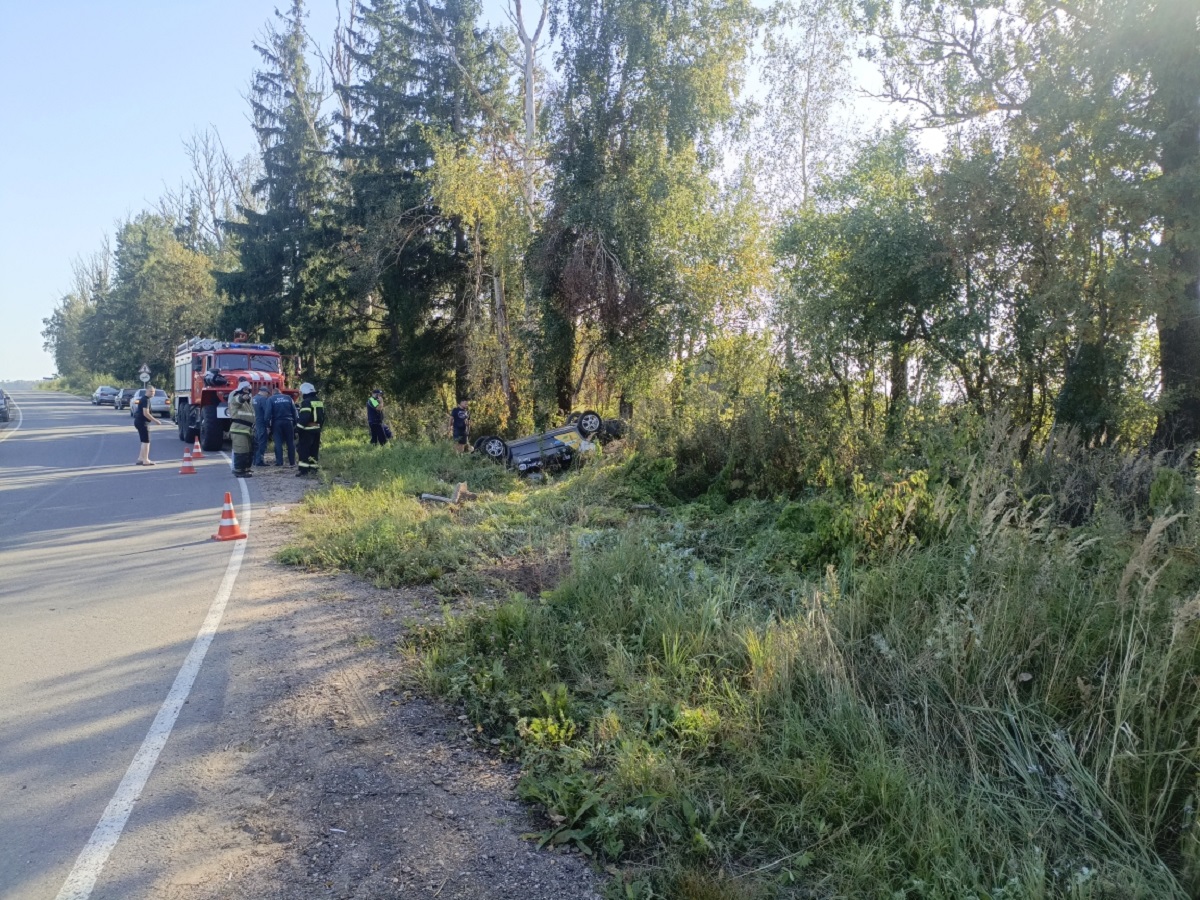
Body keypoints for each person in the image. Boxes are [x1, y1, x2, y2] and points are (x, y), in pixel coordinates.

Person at [228, 380, 257, 478]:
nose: (247, 392)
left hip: (247, 430)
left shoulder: (248, 402)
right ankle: (238, 471)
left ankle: (245, 469)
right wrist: (242, 397)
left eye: (248, 390)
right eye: (245, 390)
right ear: (240, 390)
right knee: (241, 450)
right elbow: (238, 401)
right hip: (239, 430)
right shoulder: (236, 398)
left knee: (247, 451)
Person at [295, 382, 325, 477]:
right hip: (316, 429)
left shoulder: (306, 402)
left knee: (303, 450)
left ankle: (303, 470)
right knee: (314, 450)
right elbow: (323, 417)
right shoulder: (319, 401)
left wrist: (297, 429)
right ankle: (313, 470)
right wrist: (319, 428)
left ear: (304, 392)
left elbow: (304, 417)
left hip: (307, 430)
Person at [133, 385, 166, 466]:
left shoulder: (144, 399)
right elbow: (146, 413)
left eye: (154, 392)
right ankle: (146, 460)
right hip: (142, 422)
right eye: (151, 391)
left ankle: (141, 458)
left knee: (144, 441)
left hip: (139, 421)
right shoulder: (145, 400)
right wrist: (155, 421)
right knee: (146, 442)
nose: (153, 393)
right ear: (146, 391)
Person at [268, 384, 298, 467]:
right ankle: (292, 462)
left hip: (277, 423)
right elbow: (294, 411)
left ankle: (279, 462)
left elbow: (268, 413)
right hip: (289, 422)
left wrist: (268, 425)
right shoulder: (288, 398)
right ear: (280, 392)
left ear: (273, 393)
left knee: (278, 442)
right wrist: (294, 423)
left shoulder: (271, 399)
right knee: (290, 442)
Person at [253, 386, 272, 465]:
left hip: (255, 423)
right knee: (262, 442)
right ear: (264, 392)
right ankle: (259, 461)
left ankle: (254, 460)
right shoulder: (263, 399)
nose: (267, 395)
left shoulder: (253, 398)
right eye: (267, 393)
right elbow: (266, 413)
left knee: (256, 442)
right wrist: (268, 426)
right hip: (262, 423)